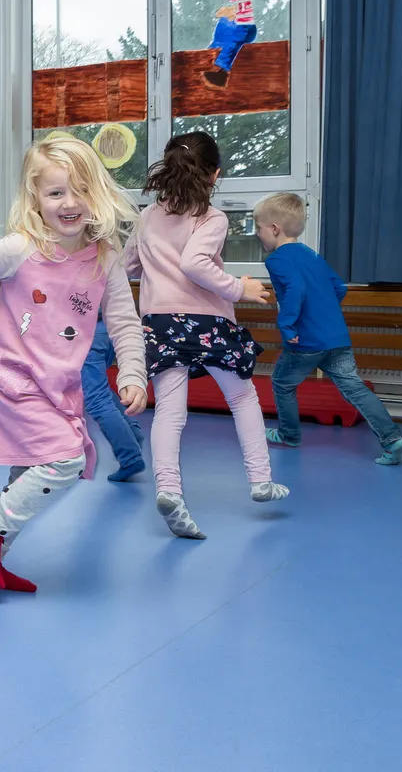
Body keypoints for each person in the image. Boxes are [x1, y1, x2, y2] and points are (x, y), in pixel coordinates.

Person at [0, 136, 146, 592]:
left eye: (81, 190)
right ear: (35, 198)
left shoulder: (105, 258)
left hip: (61, 387)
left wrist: (133, 373)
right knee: (65, 460)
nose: (70, 203)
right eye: (56, 192)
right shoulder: (21, 248)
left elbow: (124, 321)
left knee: (27, 474)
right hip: (13, 381)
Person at [127, 132, 288, 540]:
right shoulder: (211, 217)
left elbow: (128, 266)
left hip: (160, 323)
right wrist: (240, 288)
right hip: (208, 322)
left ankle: (168, 490)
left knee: (169, 411)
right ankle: (261, 480)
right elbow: (195, 263)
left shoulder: (148, 216)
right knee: (242, 397)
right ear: (215, 175)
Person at [254, 191, 402, 464]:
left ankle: (289, 435)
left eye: (258, 227)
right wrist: (323, 312)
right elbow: (338, 287)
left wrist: (287, 324)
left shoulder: (275, 259)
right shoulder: (311, 255)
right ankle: (392, 439)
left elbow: (296, 289)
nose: (257, 234)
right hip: (336, 337)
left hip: (305, 341)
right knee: (355, 388)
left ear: (274, 229)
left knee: (282, 383)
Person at [82, 312, 147, 482]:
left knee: (96, 400)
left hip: (88, 332)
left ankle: (130, 457)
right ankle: (132, 433)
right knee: (98, 391)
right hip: (108, 329)